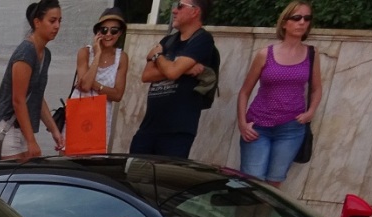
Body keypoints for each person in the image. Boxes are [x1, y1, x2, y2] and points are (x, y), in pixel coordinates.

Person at [235, 1, 321, 186]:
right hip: (258, 126)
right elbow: (244, 91)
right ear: (284, 22)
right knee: (251, 183)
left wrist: (310, 112)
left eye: (307, 18)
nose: (302, 22)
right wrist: (242, 123)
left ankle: (262, 216)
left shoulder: (311, 54)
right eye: (296, 18)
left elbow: (316, 88)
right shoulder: (266, 54)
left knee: (274, 183)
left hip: (291, 128)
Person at [130, 0, 218, 158]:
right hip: (149, 127)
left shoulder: (203, 40)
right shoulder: (168, 41)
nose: (174, 11)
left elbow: (172, 72)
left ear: (195, 11)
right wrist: (180, 69)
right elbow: (146, 75)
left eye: (180, 6)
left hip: (176, 132)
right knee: (134, 177)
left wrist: (158, 56)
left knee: (165, 180)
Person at [0, 0, 64, 160]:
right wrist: (32, 141)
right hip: (7, 128)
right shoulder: (26, 52)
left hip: (23, 129)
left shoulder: (46, 54)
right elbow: (18, 100)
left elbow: (37, 97)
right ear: (37, 22)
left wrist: (54, 130)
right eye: (52, 21)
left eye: (59, 21)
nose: (57, 26)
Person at [71, 6, 129, 147]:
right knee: (70, 158)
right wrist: (97, 54)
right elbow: (84, 86)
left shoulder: (121, 57)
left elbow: (117, 95)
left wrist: (94, 84)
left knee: (94, 161)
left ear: (120, 32)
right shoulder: (85, 52)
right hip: (79, 112)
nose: (108, 34)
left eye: (114, 30)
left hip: (101, 117)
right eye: (104, 30)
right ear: (98, 32)